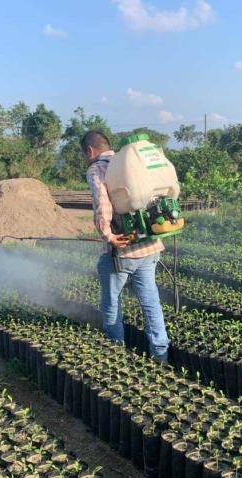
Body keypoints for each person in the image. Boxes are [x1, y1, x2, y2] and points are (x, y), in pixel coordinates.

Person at [81, 130, 169, 362]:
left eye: (85, 155)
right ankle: (161, 355)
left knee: (111, 303)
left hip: (123, 251)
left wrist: (108, 235)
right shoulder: (129, 162)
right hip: (150, 246)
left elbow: (102, 203)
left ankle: (116, 354)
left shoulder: (97, 168)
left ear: (90, 151)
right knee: (151, 303)